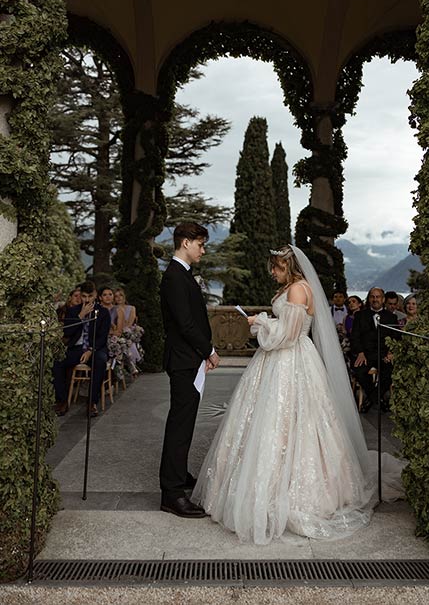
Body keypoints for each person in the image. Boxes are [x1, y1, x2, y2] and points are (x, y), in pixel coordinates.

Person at [192, 245, 403, 544]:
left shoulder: (297, 291)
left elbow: (286, 337)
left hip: (289, 359)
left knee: (289, 420)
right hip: (293, 359)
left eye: (276, 268)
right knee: (286, 421)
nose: (273, 273)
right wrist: (269, 320)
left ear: (288, 267)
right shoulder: (297, 288)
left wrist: (260, 322)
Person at [159, 222, 220, 519]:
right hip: (183, 359)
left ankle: (178, 473)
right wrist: (208, 350)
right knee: (180, 425)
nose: (203, 250)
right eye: (200, 244)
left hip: (188, 358)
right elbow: (184, 323)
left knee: (184, 422)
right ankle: (172, 494)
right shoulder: (173, 277)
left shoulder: (181, 275)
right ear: (185, 242)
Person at [53, 280, 111, 417]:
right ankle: (62, 401)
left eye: (90, 296)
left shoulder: (103, 313)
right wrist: (80, 316)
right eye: (84, 296)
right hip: (77, 348)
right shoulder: (73, 311)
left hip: (95, 349)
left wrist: (91, 350)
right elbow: (67, 333)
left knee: (100, 361)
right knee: (57, 362)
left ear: (95, 295)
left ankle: (91, 403)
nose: (87, 300)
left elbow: (102, 337)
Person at [350, 287, 399, 413]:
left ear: (383, 300)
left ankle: (371, 399)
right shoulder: (360, 315)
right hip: (365, 354)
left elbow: (396, 337)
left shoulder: (391, 318)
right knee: (359, 371)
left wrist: (391, 352)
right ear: (369, 299)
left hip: (383, 355)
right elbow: (354, 336)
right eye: (372, 296)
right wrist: (360, 352)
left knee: (389, 373)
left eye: (378, 297)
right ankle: (378, 400)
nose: (375, 299)